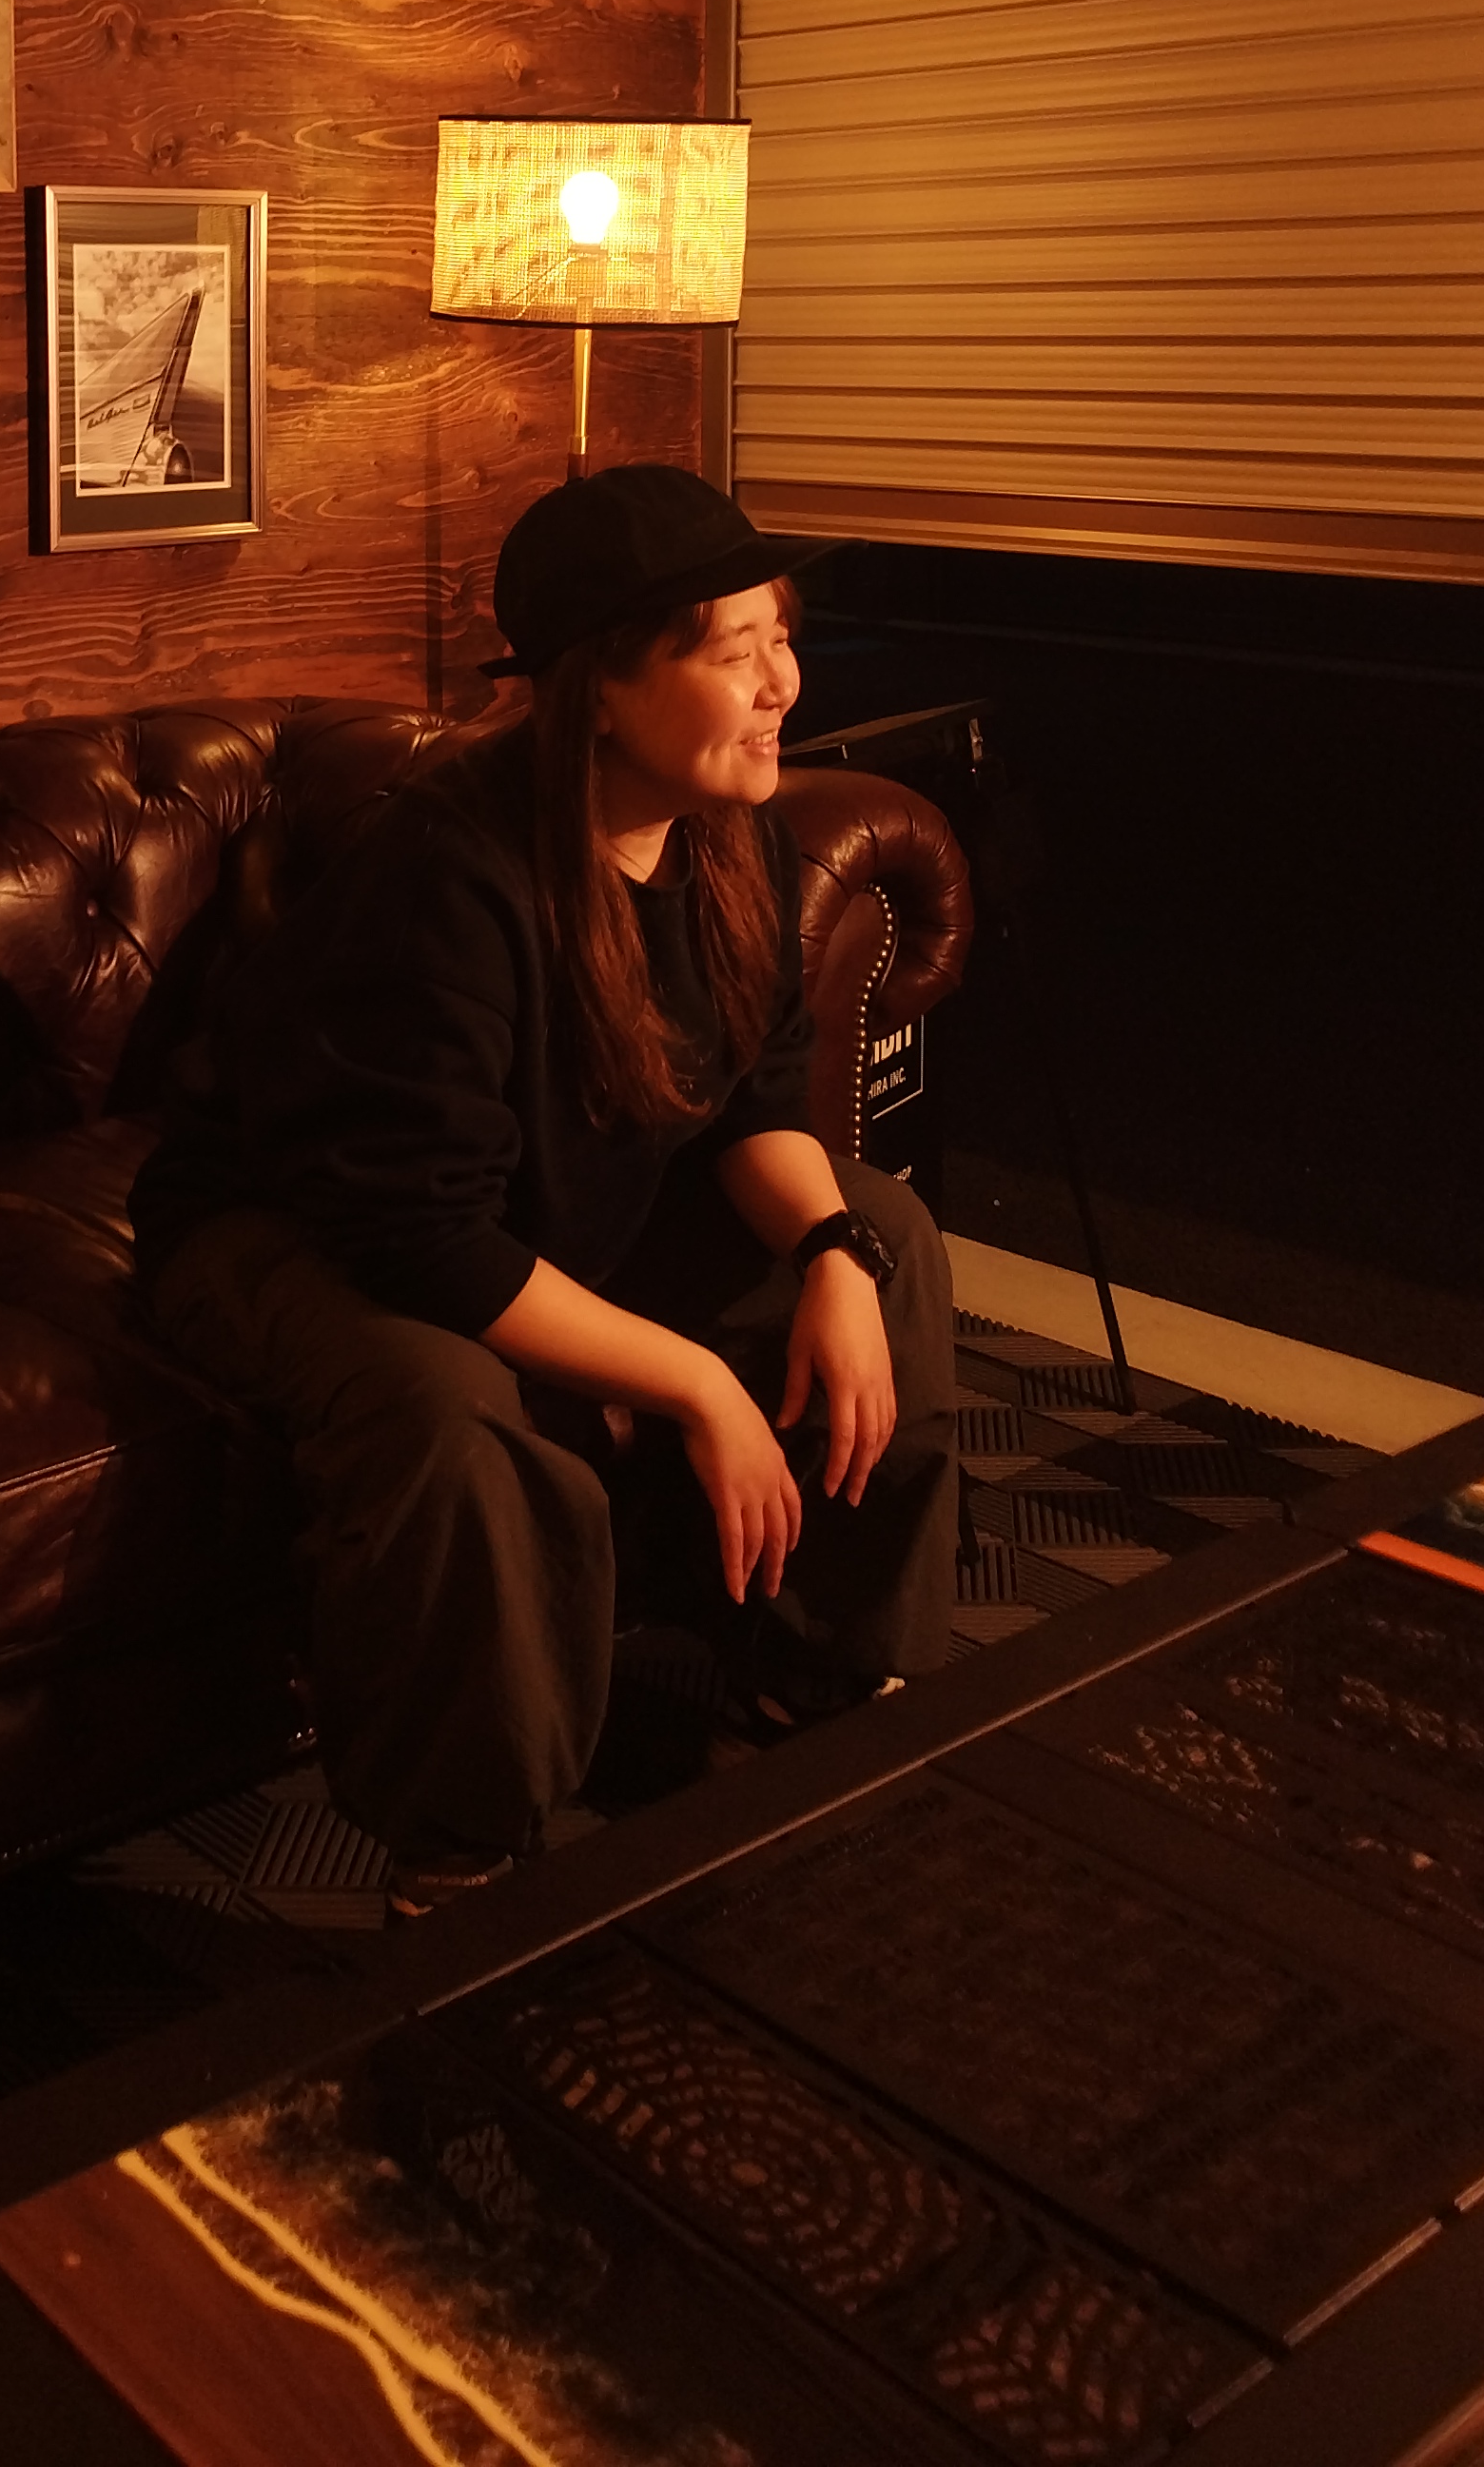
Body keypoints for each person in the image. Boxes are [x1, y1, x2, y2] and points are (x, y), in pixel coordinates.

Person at [130, 464, 960, 1912]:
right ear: (603, 690)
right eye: (736, 651)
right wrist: (696, 1386)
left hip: (523, 1207)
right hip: (290, 1233)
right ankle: (461, 1854)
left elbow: (757, 1097)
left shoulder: (732, 833)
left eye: (782, 635)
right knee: (456, 1415)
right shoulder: (446, 874)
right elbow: (421, 1237)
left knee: (890, 1234)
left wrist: (835, 1249)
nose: (783, 683)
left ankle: (816, 1679)